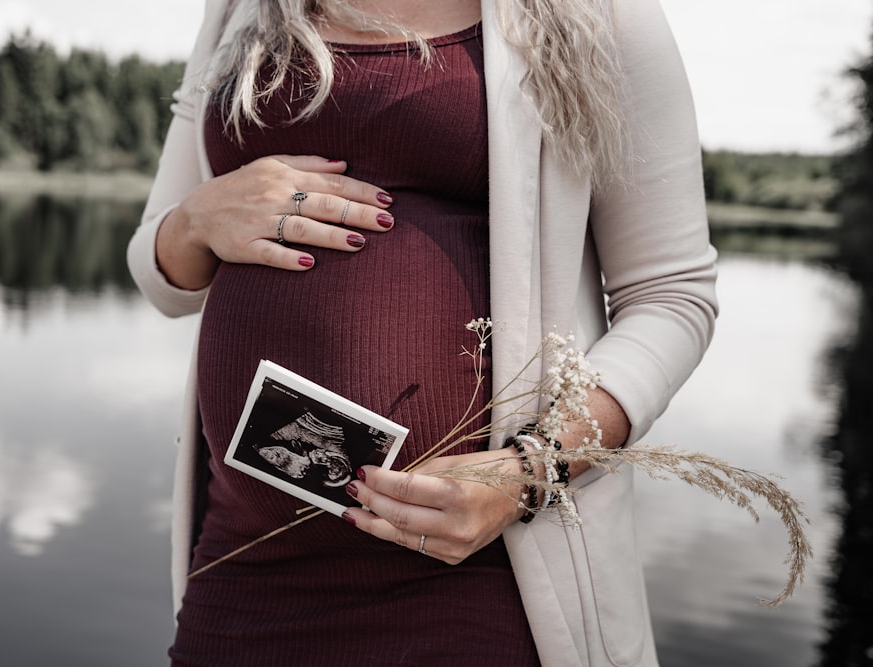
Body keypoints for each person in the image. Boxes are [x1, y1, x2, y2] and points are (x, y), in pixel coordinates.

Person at [127, 0, 718, 664]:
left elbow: (673, 299)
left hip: (480, 584)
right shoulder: (239, 8)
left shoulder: (599, 14)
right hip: (244, 573)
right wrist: (196, 219)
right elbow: (160, 276)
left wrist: (528, 473)